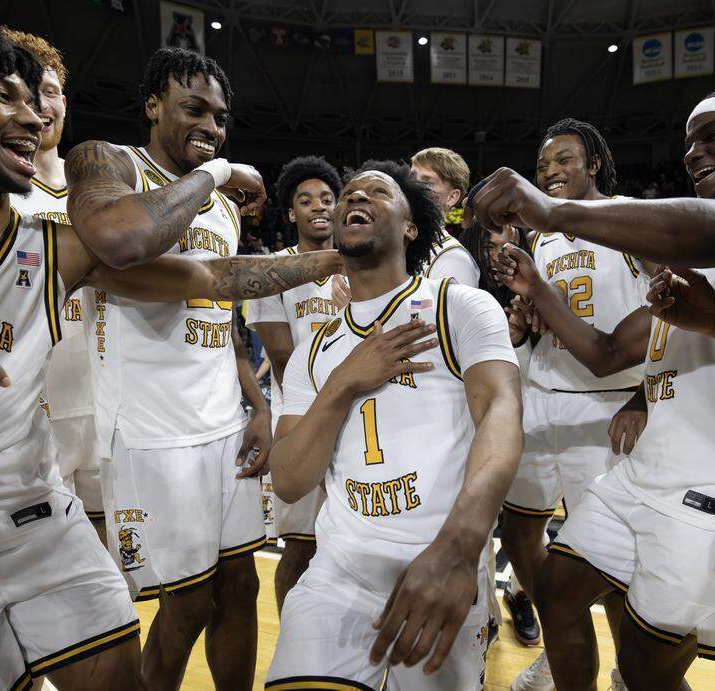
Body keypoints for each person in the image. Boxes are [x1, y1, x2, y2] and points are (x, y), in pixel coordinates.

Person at [0, 3, 340, 690]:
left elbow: (210, 277)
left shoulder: (51, 246)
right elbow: (131, 233)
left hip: (34, 513)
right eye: (1, 94)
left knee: (120, 670)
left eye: (37, 98)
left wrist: (329, 261)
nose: (32, 115)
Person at [496, 81, 715, 690]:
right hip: (644, 470)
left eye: (711, 135)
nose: (694, 150)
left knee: (646, 668)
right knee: (556, 591)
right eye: (689, 140)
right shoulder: (688, 256)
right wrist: (643, 392)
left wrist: (558, 211)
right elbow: (611, 351)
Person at [65, 46, 332, 689]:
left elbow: (222, 316)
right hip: (152, 432)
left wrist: (258, 406)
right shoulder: (110, 163)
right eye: (194, 109)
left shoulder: (218, 209)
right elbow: (125, 240)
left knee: (239, 587)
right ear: (153, 105)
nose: (211, 127)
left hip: (222, 420)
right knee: (185, 604)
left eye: (220, 117)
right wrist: (220, 173)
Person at [264, 160, 523, 689]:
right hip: (339, 576)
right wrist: (344, 382)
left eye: (378, 192)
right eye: (350, 194)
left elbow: (502, 412)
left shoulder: (459, 307)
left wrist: (458, 550)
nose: (355, 197)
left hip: (440, 563)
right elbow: (289, 479)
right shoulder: (314, 351)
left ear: (410, 226)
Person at [498, 118, 647, 689]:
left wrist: (643, 396)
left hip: (607, 404)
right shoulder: (540, 236)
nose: (552, 172)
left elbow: (675, 314)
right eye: (542, 167)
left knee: (608, 561)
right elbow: (547, 317)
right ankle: (563, 642)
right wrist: (522, 325)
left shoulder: (630, 216)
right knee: (518, 532)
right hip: (542, 394)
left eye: (564, 160)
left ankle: (629, 670)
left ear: (594, 165)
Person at [3, 29, 107, 543]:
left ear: (63, 100)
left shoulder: (103, 187)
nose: (37, 106)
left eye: (45, 91)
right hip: (27, 413)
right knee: (47, 565)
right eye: (18, 92)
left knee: (116, 582)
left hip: (106, 401)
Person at [245, 154, 347, 611]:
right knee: (301, 550)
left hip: (359, 420)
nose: (319, 207)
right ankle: (294, 643)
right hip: (301, 423)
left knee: (353, 549)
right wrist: (323, 417)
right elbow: (283, 359)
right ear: (291, 213)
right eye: (305, 201)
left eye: (327, 198)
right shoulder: (276, 270)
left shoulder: (363, 261)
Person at [412, 146, 481, 287]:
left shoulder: (454, 260)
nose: (412, 185)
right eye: (411, 177)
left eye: (426, 182)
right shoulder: (396, 247)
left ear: (452, 197)